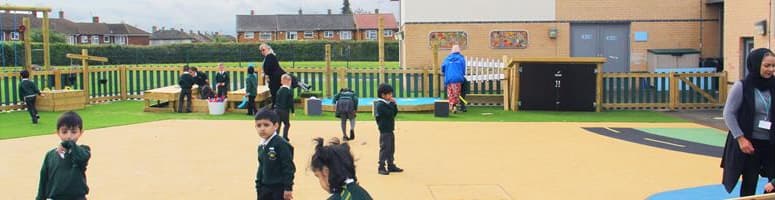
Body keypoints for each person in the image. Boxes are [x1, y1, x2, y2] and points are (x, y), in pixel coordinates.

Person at [722, 48, 775, 197]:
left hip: (771, 143)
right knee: (749, 184)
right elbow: (729, 113)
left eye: (773, 66)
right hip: (749, 144)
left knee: (773, 182)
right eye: (766, 66)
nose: (771, 70)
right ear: (756, 64)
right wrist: (740, 138)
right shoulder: (742, 86)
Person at [36, 111, 91, 200]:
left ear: (81, 132)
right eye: (64, 132)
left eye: (74, 132)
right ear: (58, 132)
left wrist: (67, 144)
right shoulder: (50, 155)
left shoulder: (83, 151)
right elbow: (43, 180)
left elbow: (81, 158)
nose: (69, 136)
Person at [254, 109, 295, 200]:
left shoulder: (281, 144)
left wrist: (288, 188)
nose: (262, 128)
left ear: (276, 126)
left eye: (266, 125)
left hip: (278, 189)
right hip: (264, 188)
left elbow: (288, 167)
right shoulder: (262, 145)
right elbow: (261, 166)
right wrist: (258, 185)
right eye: (258, 125)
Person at [373, 83, 403, 175]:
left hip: (390, 129)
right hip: (384, 130)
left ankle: (391, 165)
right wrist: (392, 104)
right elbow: (389, 113)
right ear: (383, 95)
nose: (391, 96)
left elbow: (394, 114)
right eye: (389, 94)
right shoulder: (380, 105)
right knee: (385, 148)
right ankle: (381, 166)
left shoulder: (388, 103)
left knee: (391, 148)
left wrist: (394, 104)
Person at [441, 45, 467, 113]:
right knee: (457, 93)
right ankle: (456, 106)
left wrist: (447, 72)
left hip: (449, 78)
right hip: (458, 78)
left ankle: (452, 106)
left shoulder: (447, 58)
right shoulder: (461, 58)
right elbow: (463, 69)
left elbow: (443, 68)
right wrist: (461, 75)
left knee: (450, 93)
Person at [275, 74, 295, 142]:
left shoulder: (279, 90)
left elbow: (276, 100)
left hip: (277, 110)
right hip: (284, 110)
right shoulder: (289, 91)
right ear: (287, 81)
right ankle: (285, 137)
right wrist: (292, 111)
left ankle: (275, 137)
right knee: (287, 124)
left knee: (278, 124)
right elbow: (291, 102)